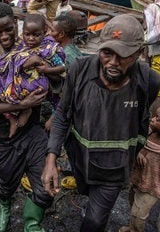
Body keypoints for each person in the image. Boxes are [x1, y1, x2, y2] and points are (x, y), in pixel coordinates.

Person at [41, 14, 160, 232]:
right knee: (86, 192)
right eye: (107, 53)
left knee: (94, 223)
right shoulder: (79, 70)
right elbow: (63, 114)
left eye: (123, 56)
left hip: (115, 167)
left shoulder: (149, 80)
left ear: (138, 53)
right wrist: (51, 159)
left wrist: (139, 150)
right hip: (80, 158)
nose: (113, 63)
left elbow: (143, 118)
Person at [0, 2, 53, 232]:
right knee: (7, 178)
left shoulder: (31, 42)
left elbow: (56, 71)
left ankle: (31, 223)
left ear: (16, 23)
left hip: (36, 126)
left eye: (9, 29)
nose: (5, 35)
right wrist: (20, 103)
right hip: (5, 129)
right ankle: (5, 205)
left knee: (44, 185)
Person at [0, 13, 65, 138]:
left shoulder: (48, 49)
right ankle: (12, 116)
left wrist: (46, 69)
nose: (31, 39)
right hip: (21, 83)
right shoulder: (21, 45)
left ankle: (25, 110)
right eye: (27, 34)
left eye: (36, 35)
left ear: (44, 33)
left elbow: (62, 68)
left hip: (36, 85)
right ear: (23, 33)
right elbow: (13, 60)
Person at [119, 105, 160, 232]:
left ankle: (135, 229)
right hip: (138, 178)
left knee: (138, 215)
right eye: (155, 116)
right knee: (133, 205)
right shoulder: (148, 131)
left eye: (158, 119)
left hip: (152, 186)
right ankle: (132, 228)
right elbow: (134, 143)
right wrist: (139, 152)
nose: (153, 119)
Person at [44, 12, 83, 131]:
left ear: (61, 34)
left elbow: (71, 92)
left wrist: (54, 117)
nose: (49, 34)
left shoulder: (68, 57)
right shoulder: (70, 50)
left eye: (52, 31)